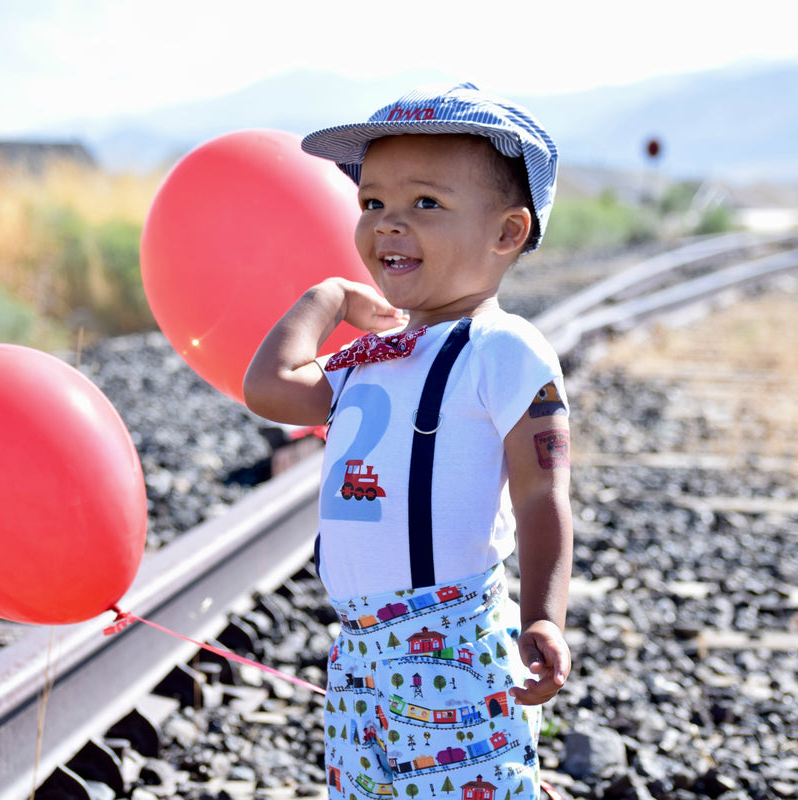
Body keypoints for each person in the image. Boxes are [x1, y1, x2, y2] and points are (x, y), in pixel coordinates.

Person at [243, 82, 572, 800]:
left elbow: (544, 490)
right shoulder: (375, 353)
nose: (389, 225)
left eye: (425, 203)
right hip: (357, 644)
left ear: (507, 233)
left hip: (448, 635)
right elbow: (269, 389)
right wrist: (326, 298)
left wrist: (544, 617)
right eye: (372, 204)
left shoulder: (504, 348)